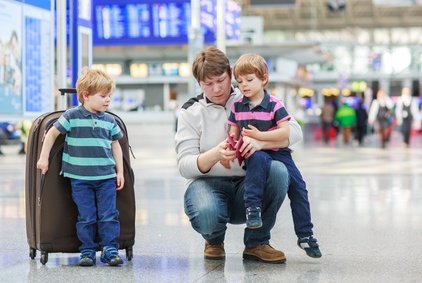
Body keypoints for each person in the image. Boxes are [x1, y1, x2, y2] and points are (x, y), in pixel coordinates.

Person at [175, 46, 304, 264]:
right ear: (199, 83)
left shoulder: (250, 96)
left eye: (221, 80)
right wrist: (216, 154)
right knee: (207, 213)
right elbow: (184, 166)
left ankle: (257, 242)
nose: (216, 89)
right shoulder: (190, 112)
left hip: (249, 185)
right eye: (208, 84)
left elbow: (295, 132)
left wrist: (260, 140)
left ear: (230, 73)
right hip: (207, 185)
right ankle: (214, 240)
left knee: (279, 171)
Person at [226, 53, 321, 258]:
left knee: (298, 187)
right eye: (240, 81)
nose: (244, 85)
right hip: (254, 154)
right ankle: (253, 210)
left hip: (280, 153)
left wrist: (261, 137)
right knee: (256, 166)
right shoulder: (237, 106)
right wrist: (231, 143)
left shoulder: (275, 104)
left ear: (264, 79)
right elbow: (232, 129)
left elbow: (286, 131)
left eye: (249, 80)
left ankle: (305, 234)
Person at [36, 68, 125, 267]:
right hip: (80, 179)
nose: (108, 100)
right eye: (103, 96)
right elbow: (51, 134)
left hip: (106, 178)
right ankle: (87, 250)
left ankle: (109, 249)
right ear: (85, 95)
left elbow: (116, 145)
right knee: (86, 216)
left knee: (109, 214)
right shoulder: (71, 116)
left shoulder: (109, 120)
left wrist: (120, 171)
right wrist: (44, 158)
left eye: (109, 96)